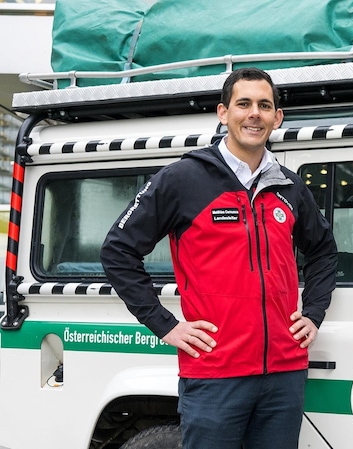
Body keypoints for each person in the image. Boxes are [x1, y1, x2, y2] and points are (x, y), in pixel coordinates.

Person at [100, 67, 338, 449]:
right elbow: (118, 250)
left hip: (284, 373)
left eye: (264, 105)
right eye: (244, 104)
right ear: (223, 112)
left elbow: (324, 251)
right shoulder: (183, 179)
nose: (254, 114)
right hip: (215, 373)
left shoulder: (290, 186)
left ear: (278, 118)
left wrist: (313, 313)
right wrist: (166, 325)